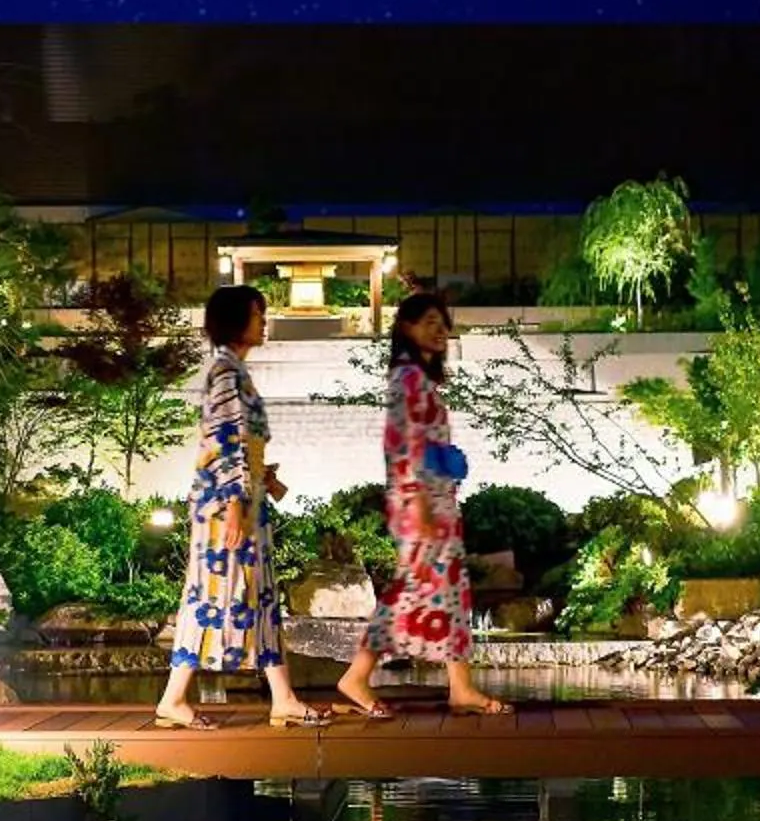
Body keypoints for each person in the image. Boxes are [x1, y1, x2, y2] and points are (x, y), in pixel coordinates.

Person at [157, 285, 329, 730]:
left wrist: (260, 478)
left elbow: (239, 443)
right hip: (226, 506)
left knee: (260, 594)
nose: (264, 322)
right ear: (236, 321)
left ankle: (283, 697)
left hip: (244, 500)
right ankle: (173, 698)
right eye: (257, 314)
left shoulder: (233, 371)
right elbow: (224, 439)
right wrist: (234, 500)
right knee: (213, 594)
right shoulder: (226, 373)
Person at [337, 291, 509, 717]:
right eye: (428, 321)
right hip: (420, 501)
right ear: (406, 328)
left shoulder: (419, 379)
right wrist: (417, 502)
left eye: (442, 322)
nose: (439, 330)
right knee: (413, 588)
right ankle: (358, 674)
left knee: (447, 589)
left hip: (434, 498)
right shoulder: (408, 378)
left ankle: (460, 685)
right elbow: (402, 443)